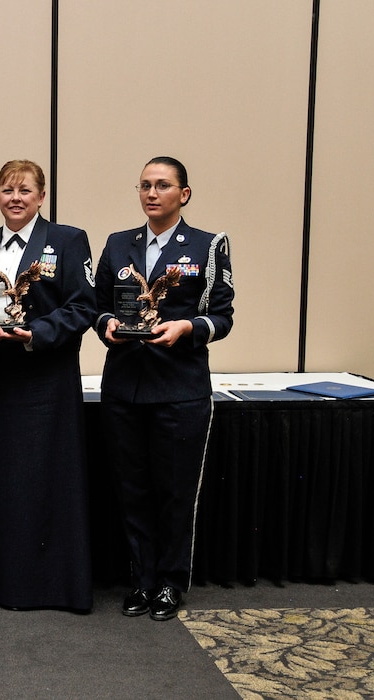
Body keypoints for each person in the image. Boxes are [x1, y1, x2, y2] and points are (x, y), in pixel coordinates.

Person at [93, 156, 234, 621]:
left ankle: (172, 583)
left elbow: (222, 317)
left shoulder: (209, 246)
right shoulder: (117, 244)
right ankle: (142, 580)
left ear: (184, 194)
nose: (152, 193)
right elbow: (96, 307)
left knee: (174, 492)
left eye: (163, 186)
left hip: (179, 389)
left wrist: (188, 328)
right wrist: (108, 323)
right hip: (125, 389)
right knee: (132, 491)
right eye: (145, 186)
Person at [0, 159, 96, 610]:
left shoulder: (68, 241)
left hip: (47, 381)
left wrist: (38, 334)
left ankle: (50, 585)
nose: (14, 198)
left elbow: (83, 307)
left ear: (41, 197)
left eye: (24, 190)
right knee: (3, 481)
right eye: (6, 190)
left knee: (46, 481)